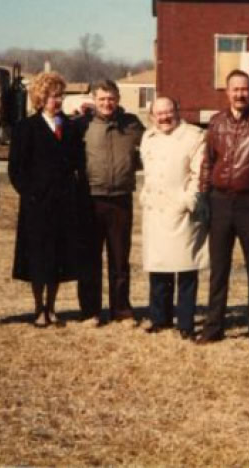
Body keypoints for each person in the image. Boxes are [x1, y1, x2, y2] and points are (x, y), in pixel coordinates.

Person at [194, 69, 249, 350]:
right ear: (227, 91)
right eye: (235, 89)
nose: (240, 94)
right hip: (220, 202)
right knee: (218, 269)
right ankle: (214, 327)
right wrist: (203, 196)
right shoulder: (216, 122)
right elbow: (208, 162)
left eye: (244, 89)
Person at [8, 72, 90, 327]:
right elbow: (16, 169)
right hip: (37, 205)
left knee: (58, 257)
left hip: (64, 203)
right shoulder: (25, 128)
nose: (58, 101)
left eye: (60, 96)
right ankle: (38, 308)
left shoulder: (70, 126)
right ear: (41, 98)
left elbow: (78, 163)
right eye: (53, 96)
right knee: (38, 257)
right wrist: (31, 194)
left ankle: (52, 308)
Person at [139, 96, 208, 340]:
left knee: (185, 267)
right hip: (156, 211)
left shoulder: (194, 136)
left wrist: (188, 201)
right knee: (159, 268)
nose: (165, 118)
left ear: (177, 111)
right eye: (159, 114)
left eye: (169, 112)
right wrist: (146, 196)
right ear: (152, 116)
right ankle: (160, 318)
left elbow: (199, 174)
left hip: (181, 212)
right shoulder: (148, 137)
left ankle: (186, 323)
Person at [76, 79, 145, 322]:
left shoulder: (132, 124)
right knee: (90, 258)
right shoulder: (82, 125)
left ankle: (122, 310)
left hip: (120, 199)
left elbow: (148, 149)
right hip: (91, 199)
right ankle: (90, 311)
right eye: (102, 99)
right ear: (94, 100)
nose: (107, 103)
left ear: (118, 99)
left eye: (111, 98)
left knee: (119, 258)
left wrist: (131, 167)